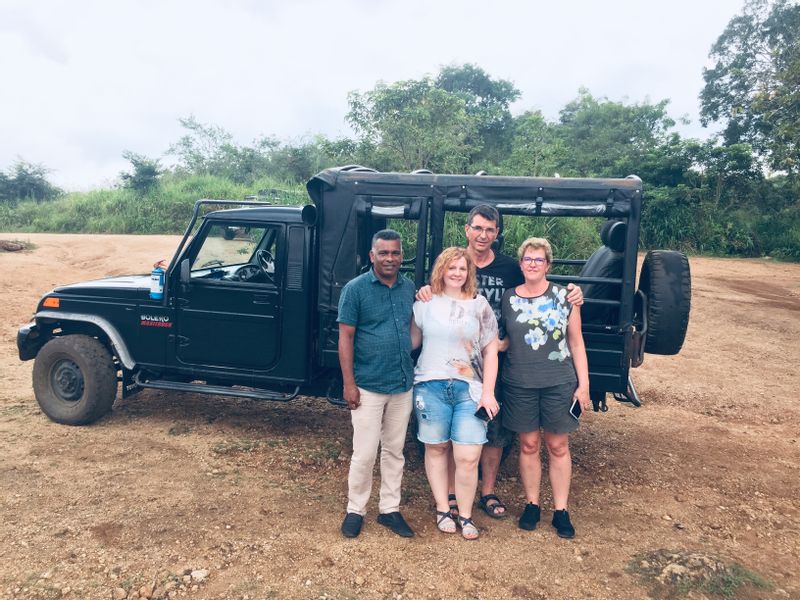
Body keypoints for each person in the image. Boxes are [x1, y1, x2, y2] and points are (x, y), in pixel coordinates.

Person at [417, 205, 583, 520]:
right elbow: (435, 293)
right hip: (456, 361)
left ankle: (487, 491)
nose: (483, 235)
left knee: (493, 432)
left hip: (500, 361)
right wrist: (424, 291)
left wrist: (574, 292)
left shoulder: (509, 268)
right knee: (455, 429)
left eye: (490, 230)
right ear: (467, 229)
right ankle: (452, 494)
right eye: (478, 228)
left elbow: (538, 285)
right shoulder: (454, 263)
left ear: (496, 234)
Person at [498, 237, 590, 538]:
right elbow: (510, 338)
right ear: (521, 264)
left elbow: (576, 342)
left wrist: (584, 386)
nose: (533, 264)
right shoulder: (508, 297)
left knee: (558, 445)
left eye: (539, 260)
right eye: (528, 259)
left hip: (558, 381)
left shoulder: (566, 297)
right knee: (528, 445)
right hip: (520, 381)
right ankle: (532, 504)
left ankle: (561, 510)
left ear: (548, 264)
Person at [410, 247, 499, 540]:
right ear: (441, 270)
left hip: (469, 389)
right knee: (436, 448)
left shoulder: (480, 306)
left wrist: (488, 392)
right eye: (452, 268)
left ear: (468, 272)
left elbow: (491, 351)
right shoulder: (425, 303)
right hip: (430, 385)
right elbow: (412, 341)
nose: (457, 273)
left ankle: (465, 514)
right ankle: (441, 509)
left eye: (462, 268)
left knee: (468, 454)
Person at [337, 229, 416, 539]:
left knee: (394, 451)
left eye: (395, 253)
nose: (390, 258)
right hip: (367, 385)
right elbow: (346, 337)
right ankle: (355, 510)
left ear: (401, 256)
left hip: (401, 384)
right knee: (365, 452)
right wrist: (349, 384)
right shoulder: (355, 290)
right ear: (372, 256)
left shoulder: (409, 287)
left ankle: (389, 510)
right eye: (383, 253)